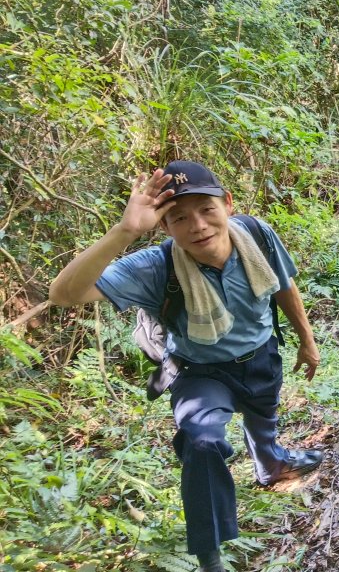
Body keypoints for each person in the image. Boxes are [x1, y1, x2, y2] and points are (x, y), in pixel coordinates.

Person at [49, 160, 323, 572]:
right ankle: (211, 556)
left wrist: (307, 340)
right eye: (179, 216)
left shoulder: (256, 234)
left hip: (262, 353)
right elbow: (63, 294)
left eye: (206, 209)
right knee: (202, 440)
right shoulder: (156, 266)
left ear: (228, 204)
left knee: (263, 416)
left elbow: (283, 284)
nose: (197, 225)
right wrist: (125, 231)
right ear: (165, 226)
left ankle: (270, 463)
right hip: (201, 371)